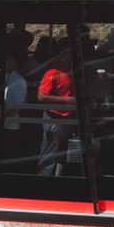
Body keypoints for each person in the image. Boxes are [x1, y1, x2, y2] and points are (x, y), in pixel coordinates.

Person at [37, 39, 76, 176]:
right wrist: (66, 100)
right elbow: (41, 96)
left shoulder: (70, 69)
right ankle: (43, 182)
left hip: (65, 117)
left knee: (60, 153)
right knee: (49, 153)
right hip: (54, 118)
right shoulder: (52, 72)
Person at [2, 54, 28, 171]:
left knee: (10, 154)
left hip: (10, 125)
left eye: (8, 64)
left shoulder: (18, 80)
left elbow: (19, 106)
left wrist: (2, 116)